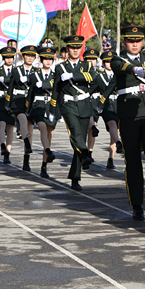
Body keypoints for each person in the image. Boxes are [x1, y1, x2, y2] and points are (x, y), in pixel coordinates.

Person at [110, 26, 145, 220]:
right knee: (132, 160)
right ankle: (137, 204)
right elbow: (121, 67)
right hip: (129, 116)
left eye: (138, 40)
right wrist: (135, 69)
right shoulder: (117, 59)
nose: (135, 44)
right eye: (131, 41)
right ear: (124, 42)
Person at [52, 35, 96, 190]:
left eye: (78, 47)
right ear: (67, 49)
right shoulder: (60, 67)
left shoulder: (87, 65)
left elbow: (93, 77)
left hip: (84, 104)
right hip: (68, 104)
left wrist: (73, 75)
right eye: (72, 48)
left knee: (80, 139)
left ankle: (75, 177)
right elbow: (56, 89)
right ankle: (86, 153)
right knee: (75, 133)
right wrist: (53, 109)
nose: (75, 50)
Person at [28, 46, 58, 178]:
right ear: (41, 60)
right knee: (43, 129)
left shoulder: (55, 75)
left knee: (49, 134)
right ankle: (48, 151)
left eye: (50, 59)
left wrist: (45, 85)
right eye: (45, 59)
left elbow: (56, 88)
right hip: (39, 105)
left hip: (51, 105)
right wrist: (27, 109)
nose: (48, 61)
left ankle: (44, 165)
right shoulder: (34, 74)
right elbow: (31, 92)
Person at [7, 45, 38, 169]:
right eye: (27, 55)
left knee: (30, 131)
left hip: (31, 101)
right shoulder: (16, 70)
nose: (30, 58)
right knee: (23, 119)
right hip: (18, 100)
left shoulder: (37, 71)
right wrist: (7, 103)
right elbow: (10, 87)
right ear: (23, 56)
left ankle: (26, 160)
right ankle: (26, 142)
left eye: (32, 56)